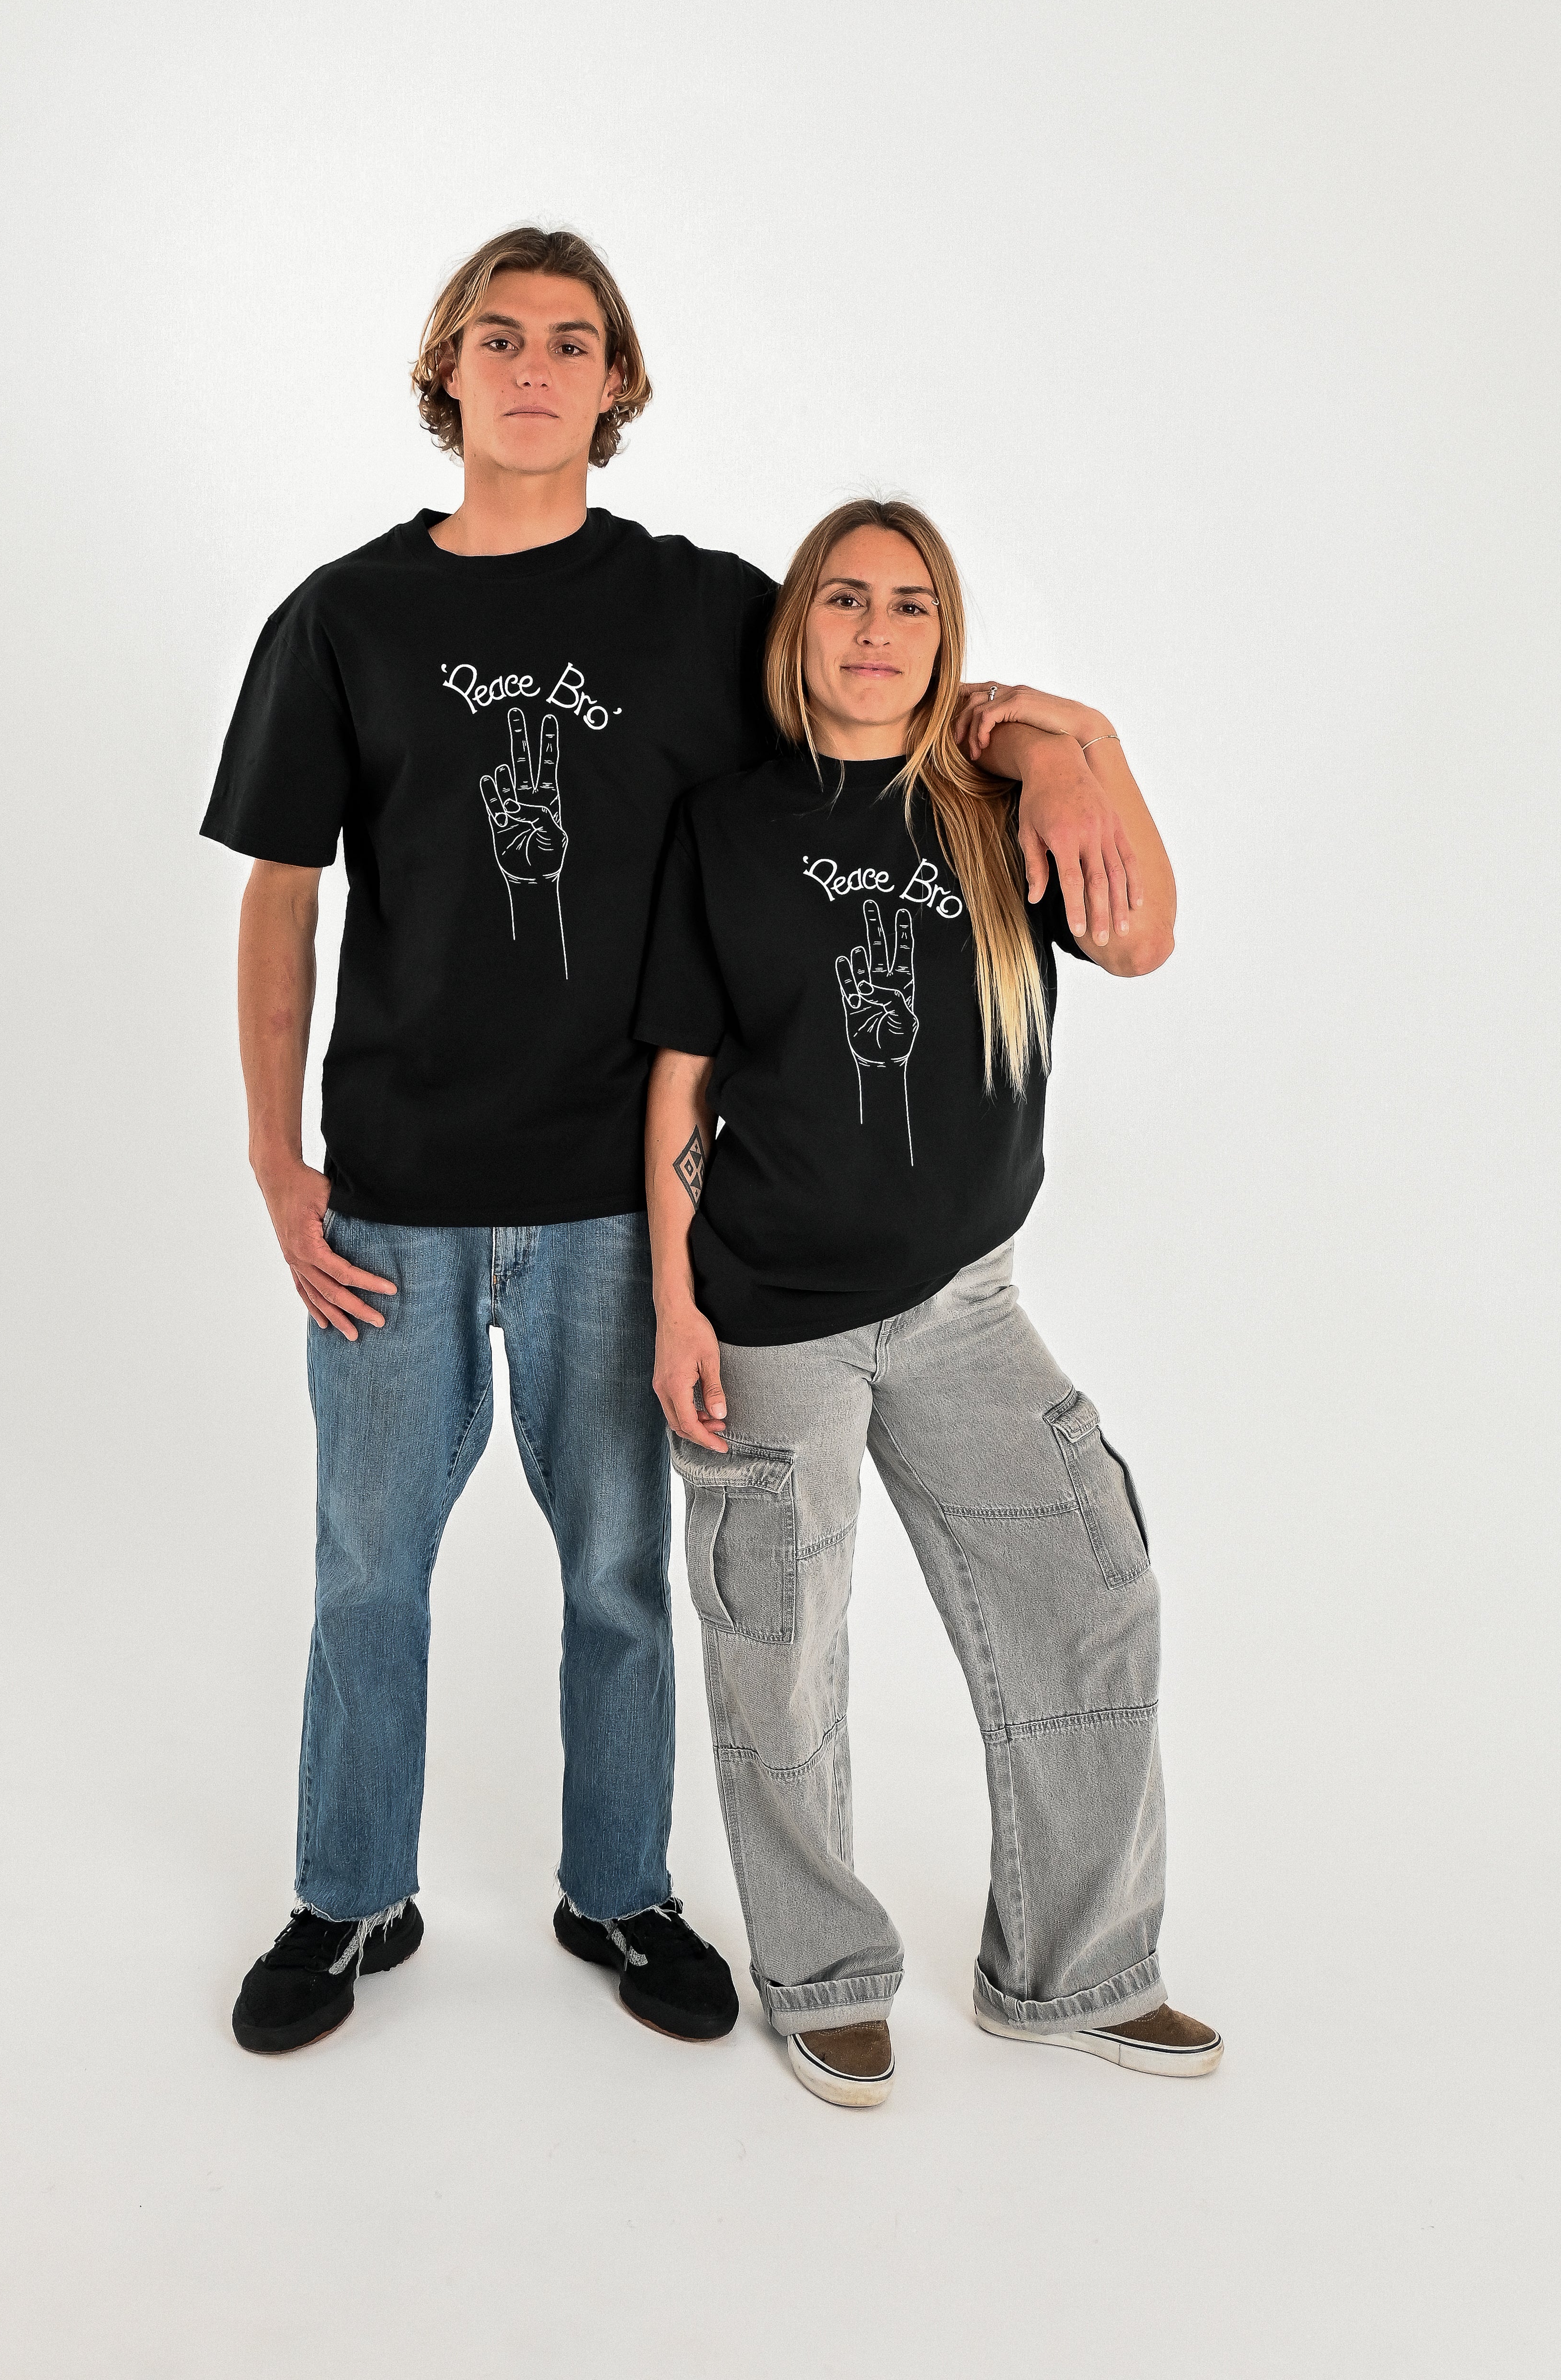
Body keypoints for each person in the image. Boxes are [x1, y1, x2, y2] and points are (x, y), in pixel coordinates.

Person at [201, 225, 1141, 2058]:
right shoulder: (343, 618)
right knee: (365, 1568)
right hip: (391, 1193)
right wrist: (272, 1150)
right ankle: (346, 1893)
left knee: (627, 1575)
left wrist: (1072, 748)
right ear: (448, 371)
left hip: (621, 1210)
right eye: (499, 337)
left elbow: (900, 704)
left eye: (573, 341)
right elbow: (280, 896)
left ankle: (620, 1887)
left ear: (617, 384)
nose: (534, 366)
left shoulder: (699, 610)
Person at [636, 497, 1221, 2107]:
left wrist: (1080, 742)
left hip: (967, 1307)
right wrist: (679, 1309)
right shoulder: (728, 826)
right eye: (844, 599)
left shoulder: (995, 811)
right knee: (783, 1643)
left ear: (944, 638)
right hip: (773, 1315)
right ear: (801, 629)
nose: (876, 629)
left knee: (1092, 1587)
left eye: (909, 603)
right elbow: (681, 1079)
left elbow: (1147, 935)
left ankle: (1077, 1970)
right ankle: (823, 1973)